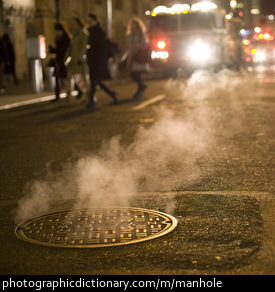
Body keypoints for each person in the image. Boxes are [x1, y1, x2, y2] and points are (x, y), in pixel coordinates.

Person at [86, 13, 117, 109]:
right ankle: (112, 94)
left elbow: (101, 48)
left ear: (96, 21)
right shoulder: (90, 31)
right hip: (92, 59)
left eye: (91, 20)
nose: (90, 22)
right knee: (96, 80)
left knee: (94, 80)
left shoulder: (99, 32)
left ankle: (92, 100)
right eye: (89, 21)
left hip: (98, 60)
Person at [125, 17, 150, 99]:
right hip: (131, 56)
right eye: (131, 24)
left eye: (134, 24)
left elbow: (145, 44)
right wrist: (123, 56)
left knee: (136, 72)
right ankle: (141, 85)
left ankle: (140, 87)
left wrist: (138, 49)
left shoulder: (141, 33)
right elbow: (126, 47)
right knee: (131, 72)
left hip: (138, 55)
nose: (133, 26)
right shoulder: (129, 35)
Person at [66, 18, 88, 99]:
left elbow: (84, 47)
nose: (73, 25)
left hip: (80, 60)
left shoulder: (83, 34)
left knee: (84, 78)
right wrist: (66, 57)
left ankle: (89, 96)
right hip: (73, 60)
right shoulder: (73, 35)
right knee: (69, 76)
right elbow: (70, 48)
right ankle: (68, 96)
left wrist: (81, 57)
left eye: (74, 24)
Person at [49, 23, 70, 101]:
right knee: (58, 77)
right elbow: (58, 50)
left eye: (57, 31)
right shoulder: (58, 38)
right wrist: (52, 50)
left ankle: (78, 90)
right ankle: (57, 95)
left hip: (64, 61)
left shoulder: (66, 38)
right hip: (59, 60)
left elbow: (66, 50)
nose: (56, 32)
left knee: (66, 77)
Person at [0, 25, 8, 94]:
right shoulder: (2, 41)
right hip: (1, 60)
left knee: (2, 74)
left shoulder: (1, 41)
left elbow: (4, 51)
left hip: (1, 60)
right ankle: (2, 87)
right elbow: (4, 51)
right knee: (1, 74)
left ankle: (2, 87)